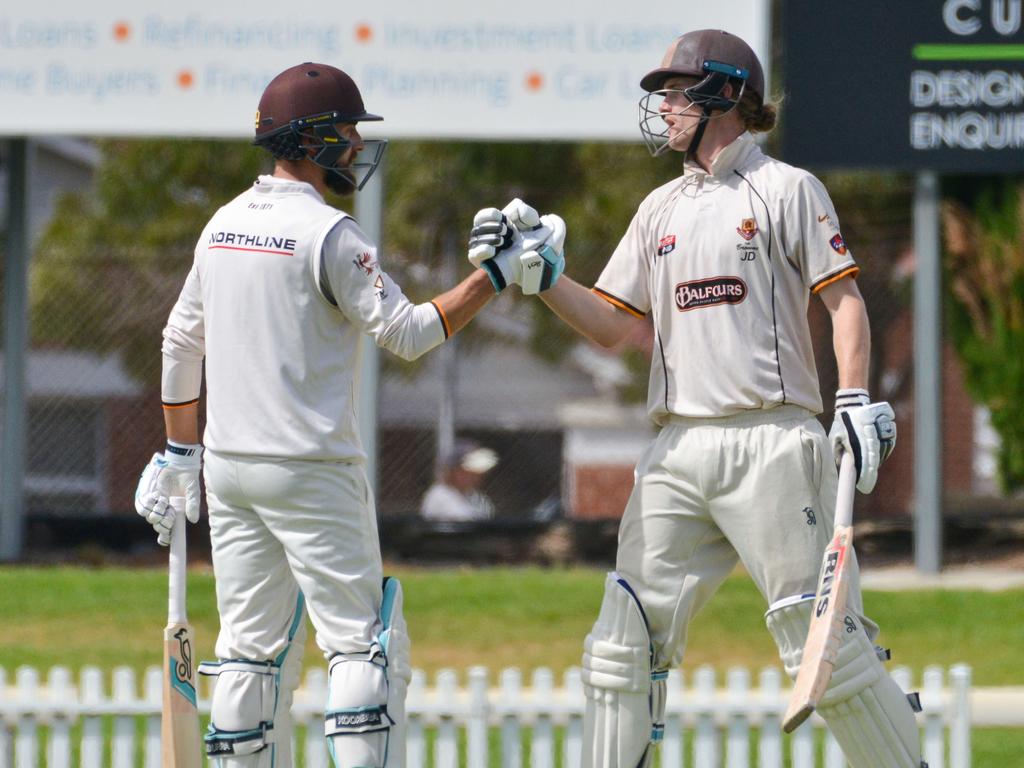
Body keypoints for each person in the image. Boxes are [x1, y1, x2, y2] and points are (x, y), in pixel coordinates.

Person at [469, 30, 923, 768]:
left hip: (771, 440)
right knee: (622, 646)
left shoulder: (785, 189)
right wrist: (544, 278)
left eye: (678, 91)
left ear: (725, 94)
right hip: (676, 450)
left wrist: (853, 399)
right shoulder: (658, 210)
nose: (665, 107)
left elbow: (844, 303)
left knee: (821, 643)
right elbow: (614, 325)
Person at [132, 62, 547, 768]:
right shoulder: (331, 235)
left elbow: (178, 344)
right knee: (361, 647)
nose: (356, 145)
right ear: (312, 139)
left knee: (249, 652)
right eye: (347, 132)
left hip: (230, 471)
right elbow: (409, 333)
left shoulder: (222, 225)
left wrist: (180, 454)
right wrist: (497, 276)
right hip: (313, 470)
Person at [420, 439, 499, 522]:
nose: (477, 475)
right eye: (470, 470)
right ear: (454, 471)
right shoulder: (439, 495)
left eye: (478, 471)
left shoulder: (475, 497)